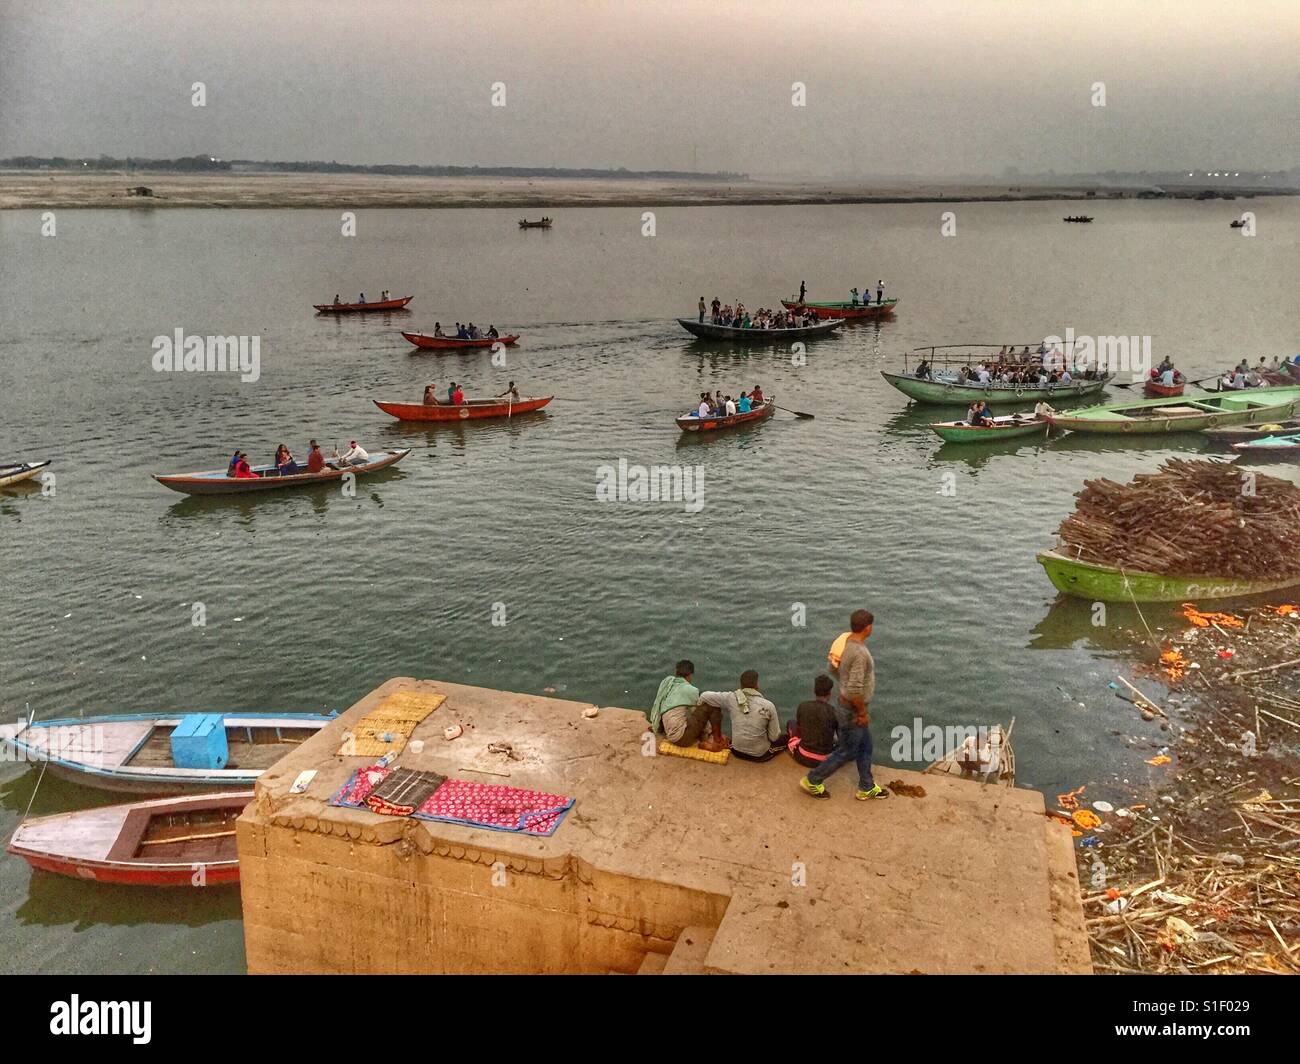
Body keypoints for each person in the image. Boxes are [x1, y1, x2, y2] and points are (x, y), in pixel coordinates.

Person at [800, 610, 888, 800]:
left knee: (866, 746)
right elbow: (854, 690)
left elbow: (832, 667)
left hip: (846, 706)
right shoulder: (860, 654)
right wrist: (862, 712)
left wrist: (844, 680)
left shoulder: (845, 643)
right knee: (846, 751)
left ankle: (866, 785)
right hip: (852, 710)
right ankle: (813, 780)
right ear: (868, 628)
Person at [698, 671, 784, 761]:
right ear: (757, 685)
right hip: (760, 755)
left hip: (737, 751)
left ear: (741, 685)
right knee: (785, 738)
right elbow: (774, 737)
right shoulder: (768, 705)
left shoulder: (731, 698)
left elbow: (704, 696)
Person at [648, 660, 727, 751]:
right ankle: (716, 740)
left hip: (668, 731)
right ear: (690, 675)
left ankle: (660, 728)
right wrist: (708, 732)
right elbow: (698, 714)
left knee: (674, 708)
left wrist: (657, 726)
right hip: (681, 739)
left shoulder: (667, 682)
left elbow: (660, 703)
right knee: (712, 705)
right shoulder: (691, 690)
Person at [788, 675, 839, 769]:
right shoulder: (834, 712)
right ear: (829, 693)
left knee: (791, 723)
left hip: (802, 757)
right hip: (823, 761)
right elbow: (841, 739)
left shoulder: (803, 706)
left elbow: (800, 728)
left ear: (815, 691)